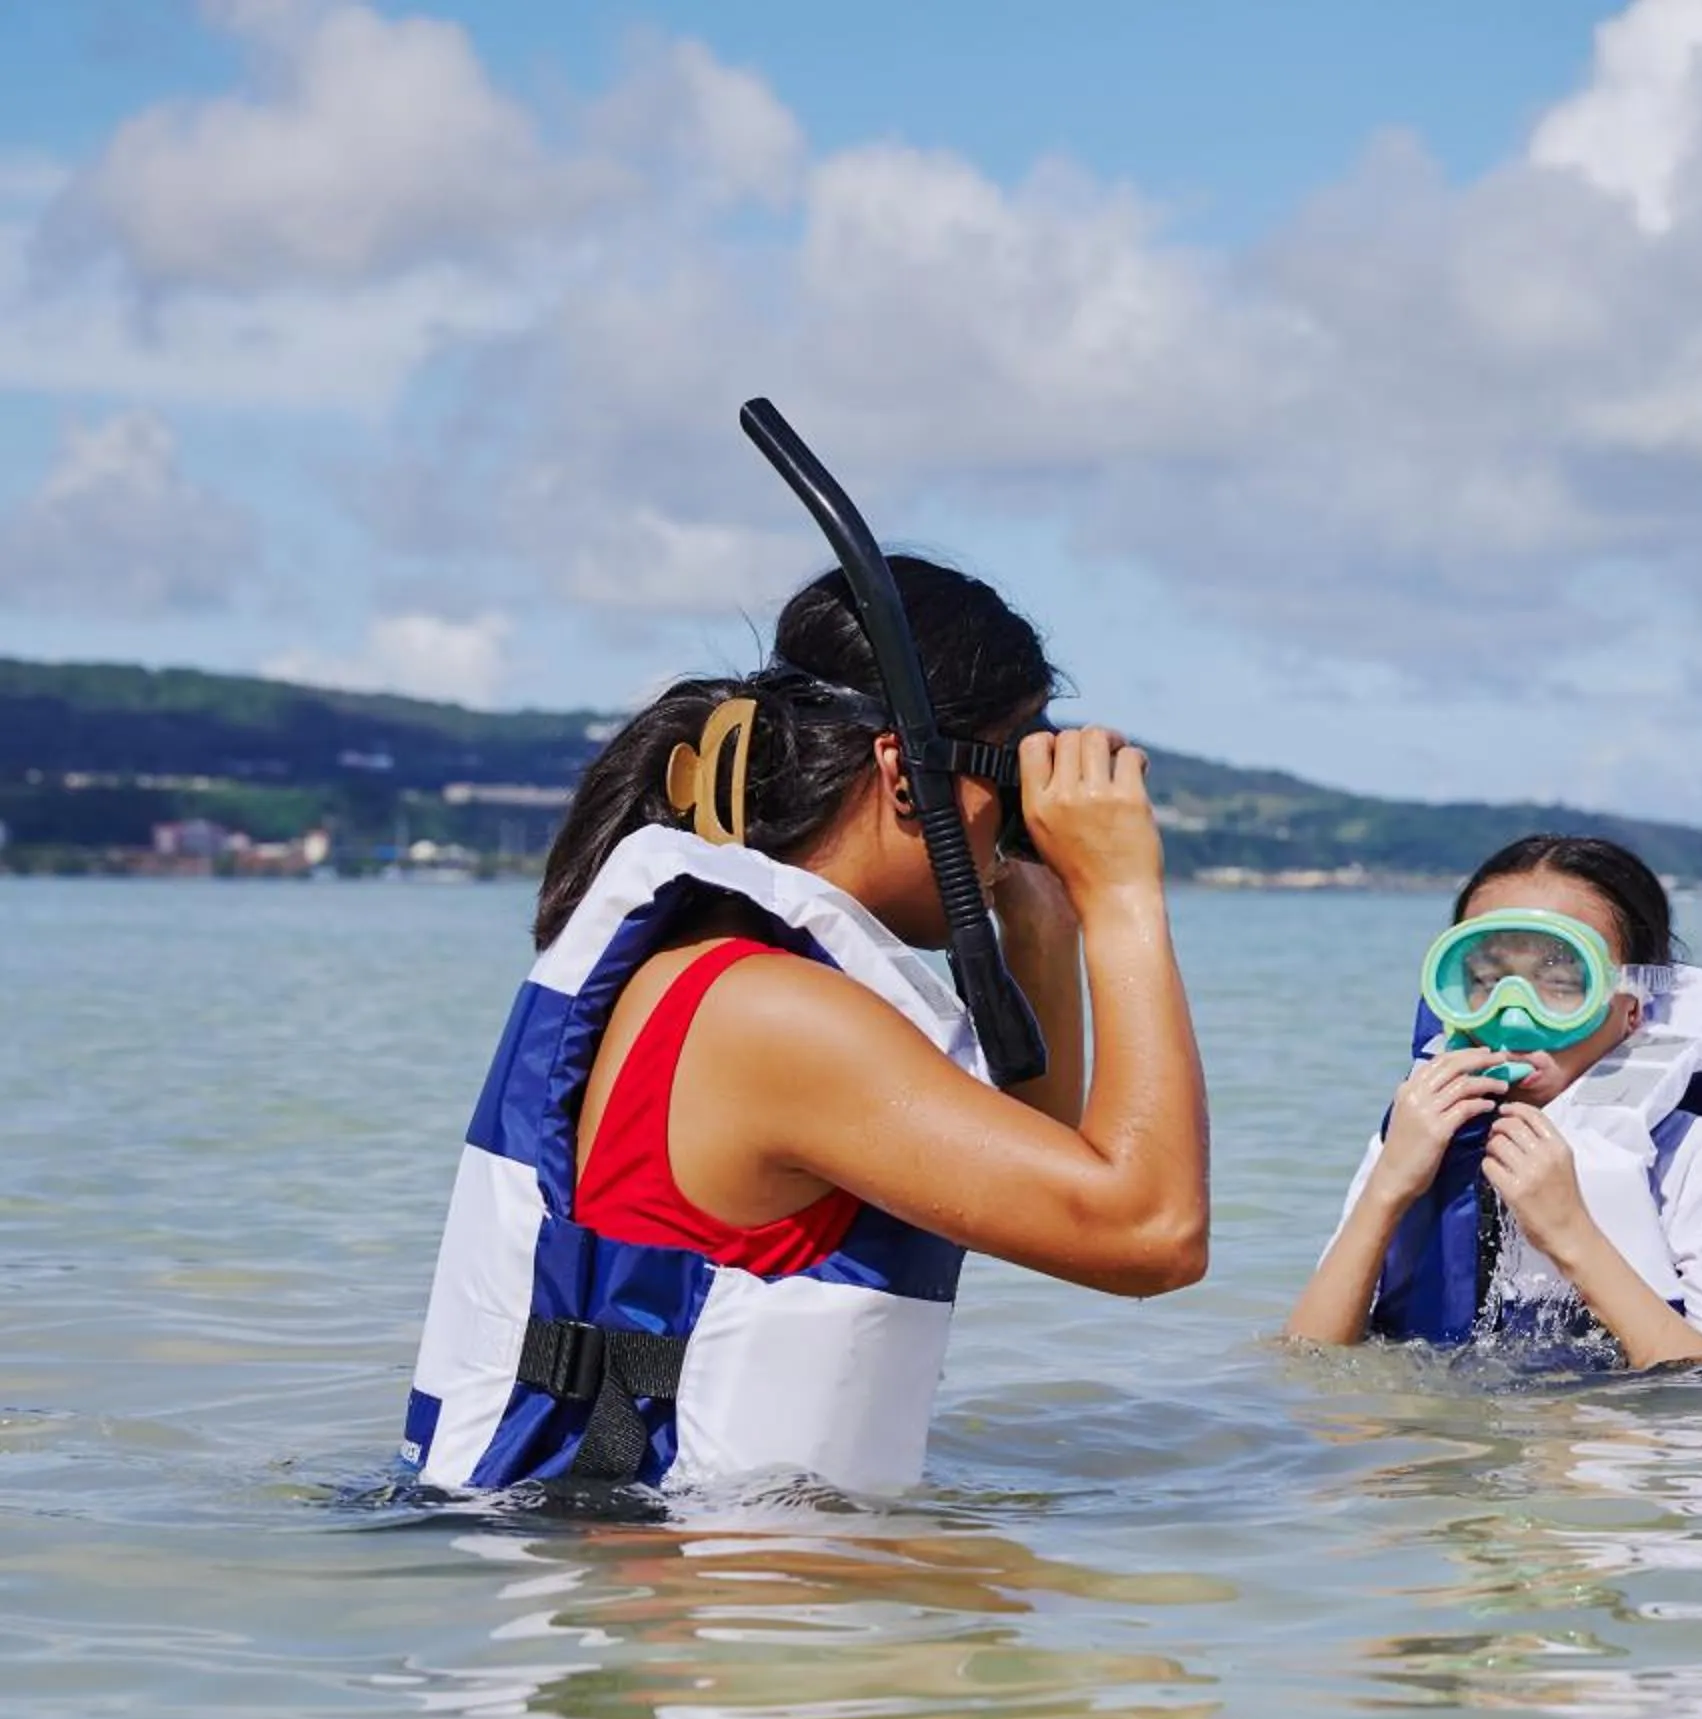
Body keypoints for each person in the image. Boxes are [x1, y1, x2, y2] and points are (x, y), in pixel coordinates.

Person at [400, 556, 1208, 1495]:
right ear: (908, 778)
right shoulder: (776, 1015)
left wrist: (1044, 923)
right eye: (1010, 778)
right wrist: (1125, 895)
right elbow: (1151, 1236)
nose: (1012, 830)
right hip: (698, 1623)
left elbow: (1048, 1181)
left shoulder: (714, 971)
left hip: (658, 1599)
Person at [1286, 835, 1702, 1371]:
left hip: (1612, 1440)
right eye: (1486, 980)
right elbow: (1306, 1366)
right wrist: (1389, 1187)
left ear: (1631, 1010)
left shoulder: (1697, 1156)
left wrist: (1571, 1233)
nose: (1513, 1016)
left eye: (1562, 983)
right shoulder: (1416, 1133)